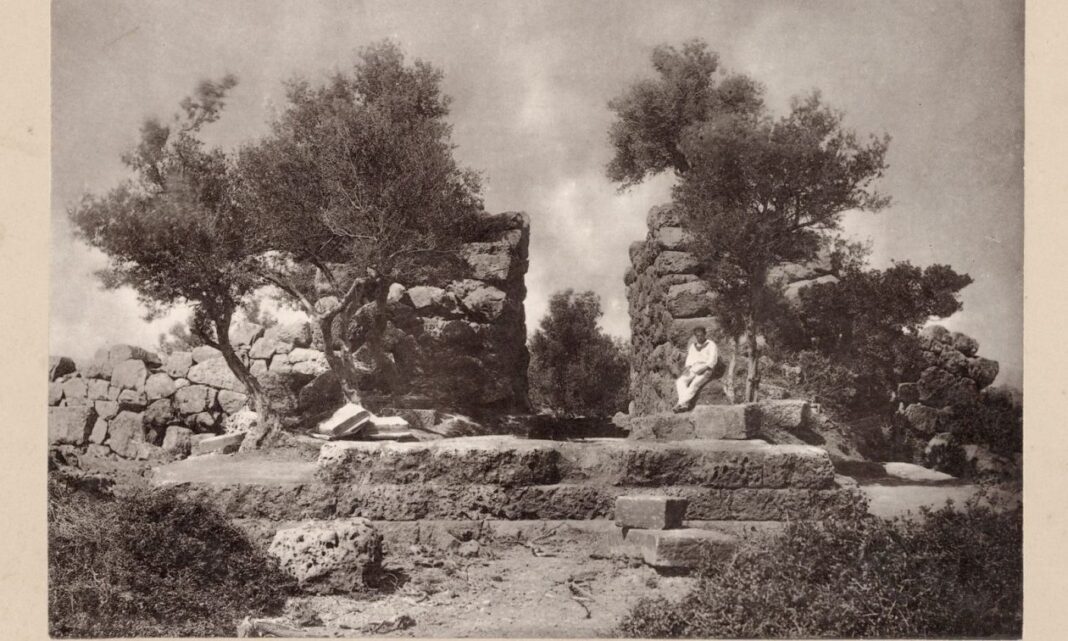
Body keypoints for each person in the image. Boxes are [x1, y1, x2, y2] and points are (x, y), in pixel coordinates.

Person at [673, 326, 720, 412]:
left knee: (694, 385)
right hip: (693, 368)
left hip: (706, 369)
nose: (700, 337)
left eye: (701, 335)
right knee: (680, 381)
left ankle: (679, 404)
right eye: (697, 336)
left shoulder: (711, 345)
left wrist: (705, 368)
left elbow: (713, 359)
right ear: (695, 336)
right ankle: (685, 405)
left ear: (705, 334)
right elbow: (690, 359)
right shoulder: (693, 346)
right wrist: (688, 367)